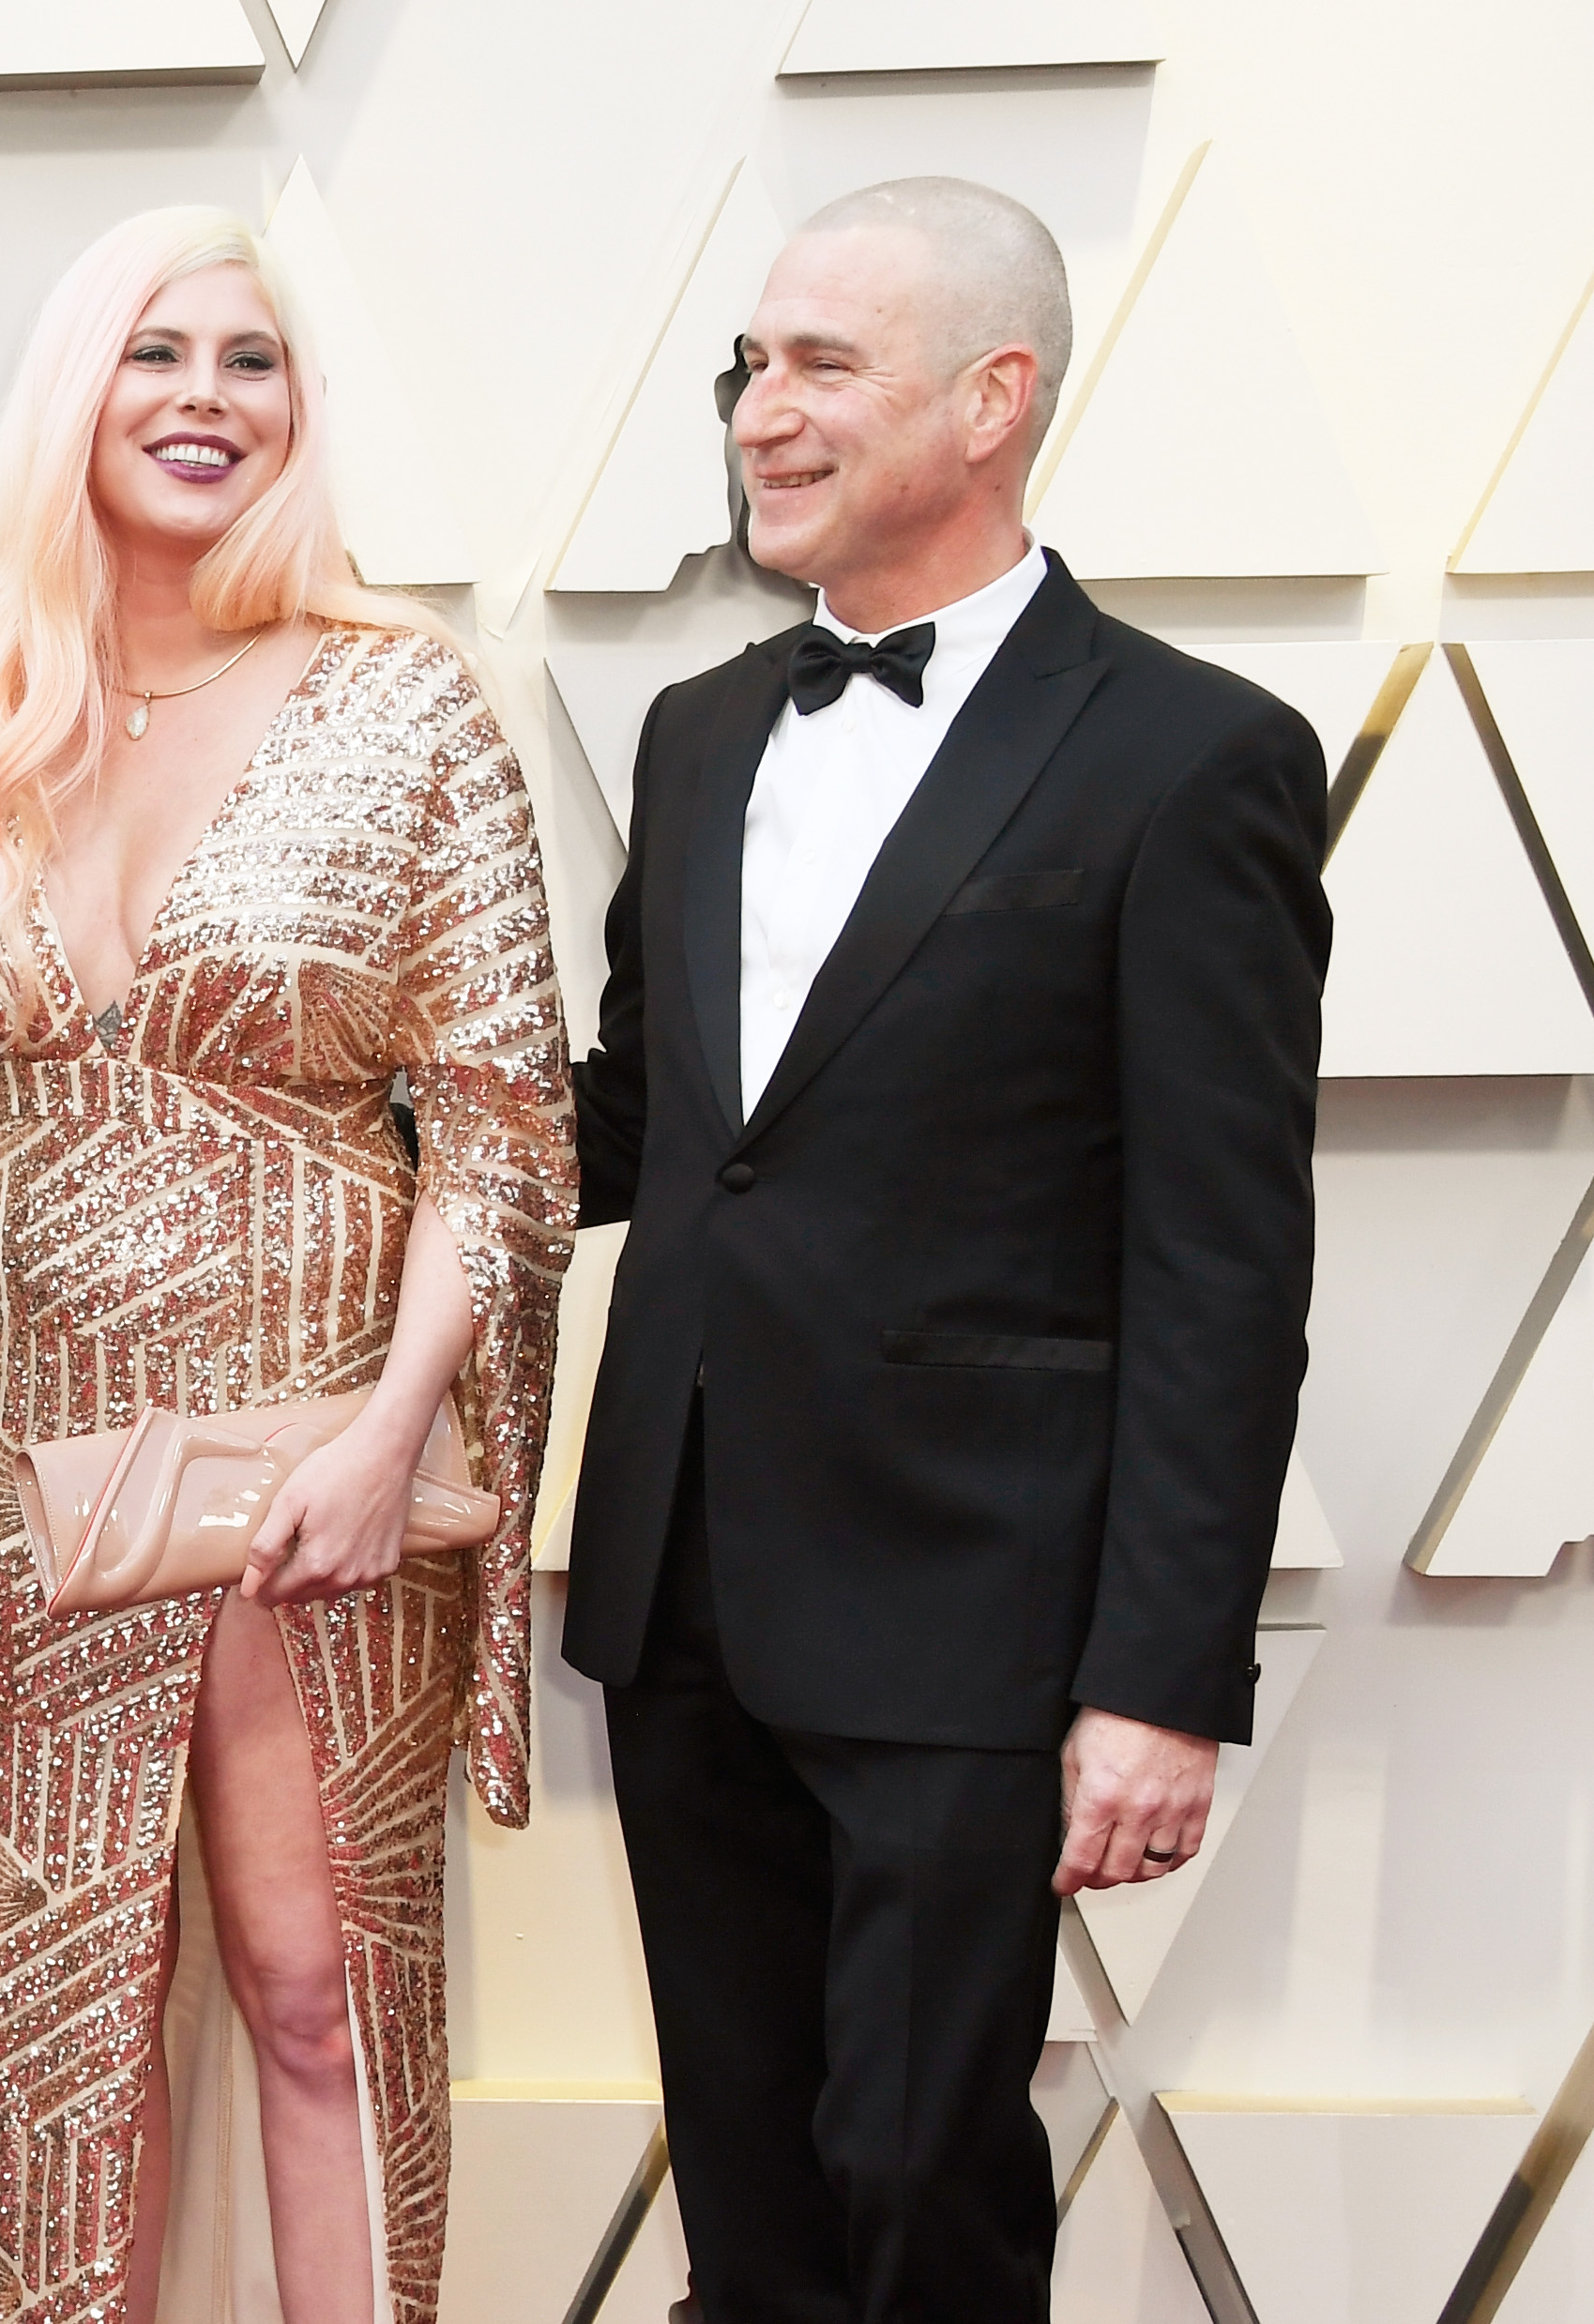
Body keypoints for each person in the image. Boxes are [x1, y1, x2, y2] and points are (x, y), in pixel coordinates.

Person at [0, 209, 576, 2323]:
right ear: (76, 401)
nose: (207, 398)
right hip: (14, 1470)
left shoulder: (405, 712)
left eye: (251, 362)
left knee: (322, 1995)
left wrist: (391, 1429)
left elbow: (495, 1131)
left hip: (302, 1447)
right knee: (46, 2045)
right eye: (156, 355)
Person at [564, 177, 1328, 2323]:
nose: (757, 412)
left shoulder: (1197, 763)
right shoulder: (701, 729)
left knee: (922, 2196)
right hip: (682, 1581)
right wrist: (315, 1132)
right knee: (751, 2207)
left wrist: (1159, 1680)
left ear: (993, 400)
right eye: (748, 367)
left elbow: (1222, 1262)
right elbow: (645, 1122)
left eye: (820, 365)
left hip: (975, 1618)